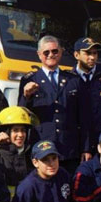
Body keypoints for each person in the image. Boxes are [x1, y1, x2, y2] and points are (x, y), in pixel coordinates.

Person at [19, 35, 82, 174]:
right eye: (46, 52)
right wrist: (27, 96)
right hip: (43, 147)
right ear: (39, 55)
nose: (51, 55)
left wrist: (87, 148)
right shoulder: (30, 79)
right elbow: (21, 114)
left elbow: (83, 117)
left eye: (54, 51)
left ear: (60, 52)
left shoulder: (73, 80)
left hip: (68, 149)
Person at [0, 106, 40, 199]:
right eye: (15, 130)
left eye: (23, 130)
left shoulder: (30, 154)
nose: (20, 135)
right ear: (6, 132)